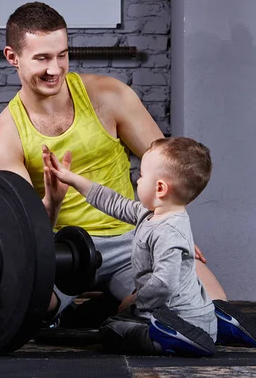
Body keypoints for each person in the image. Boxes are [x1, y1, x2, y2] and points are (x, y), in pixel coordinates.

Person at [0, 1, 256, 348]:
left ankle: (118, 308)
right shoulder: (3, 137)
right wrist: (52, 203)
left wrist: (171, 230)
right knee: (26, 310)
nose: (55, 68)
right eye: (42, 58)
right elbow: (26, 237)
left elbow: (171, 169)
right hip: (59, 250)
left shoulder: (109, 96)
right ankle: (105, 309)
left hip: (132, 238)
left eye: (62, 55)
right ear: (13, 57)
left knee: (211, 305)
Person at [46, 137, 217, 356]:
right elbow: (112, 202)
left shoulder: (169, 232)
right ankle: (213, 324)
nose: (137, 180)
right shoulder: (150, 214)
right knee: (118, 319)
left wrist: (134, 301)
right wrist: (72, 179)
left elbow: (164, 284)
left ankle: (170, 337)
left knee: (111, 330)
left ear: (160, 188)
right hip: (189, 314)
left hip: (176, 317)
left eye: (142, 175)